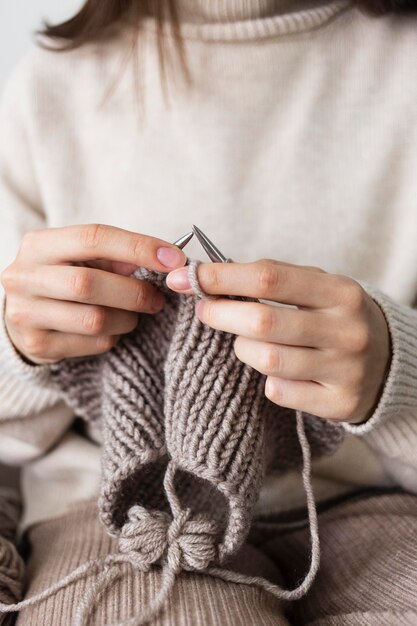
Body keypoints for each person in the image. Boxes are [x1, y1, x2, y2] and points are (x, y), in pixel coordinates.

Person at [0, 0, 416, 624]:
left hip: (376, 501)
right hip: (120, 512)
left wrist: (396, 373)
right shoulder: (56, 84)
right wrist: (20, 347)